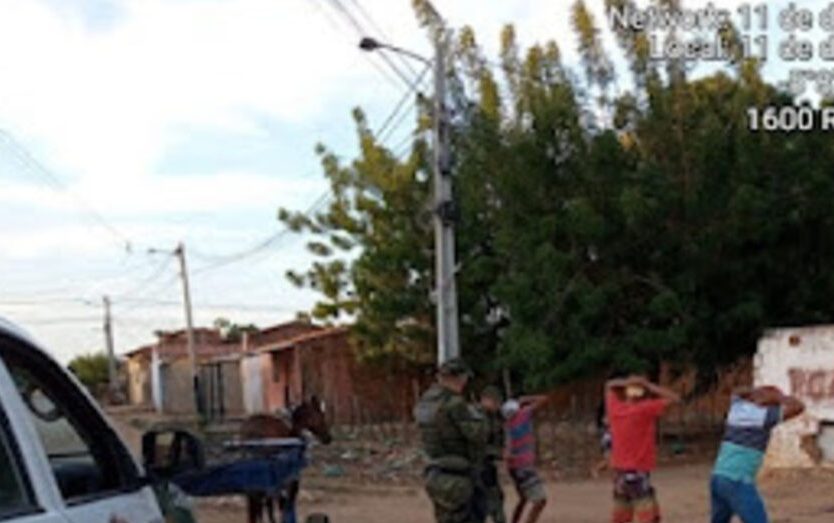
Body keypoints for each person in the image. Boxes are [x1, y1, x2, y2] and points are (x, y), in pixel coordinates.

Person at [710, 385, 805, 523]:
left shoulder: (737, 408)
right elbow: (799, 406)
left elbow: (737, 391)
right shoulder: (762, 417)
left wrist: (757, 393)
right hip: (738, 480)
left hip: (719, 476)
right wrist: (779, 397)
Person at [414, 358, 487, 523]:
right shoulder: (454, 404)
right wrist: (480, 415)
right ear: (459, 378)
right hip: (458, 474)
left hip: (436, 472)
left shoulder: (426, 402)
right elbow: (477, 435)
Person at [606, 374, 680, 523]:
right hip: (638, 470)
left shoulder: (615, 409)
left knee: (622, 514)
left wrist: (627, 382)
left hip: (620, 471)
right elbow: (675, 399)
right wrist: (649, 385)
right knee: (648, 515)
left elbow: (609, 385)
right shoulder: (646, 409)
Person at [502, 394, 549, 523]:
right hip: (524, 465)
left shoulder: (506, 425)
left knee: (523, 498)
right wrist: (526, 399)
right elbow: (543, 399)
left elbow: (506, 451)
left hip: (514, 467)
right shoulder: (523, 415)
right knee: (540, 500)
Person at [480, 385, 507, 523]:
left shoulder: (497, 417)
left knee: (496, 497)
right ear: (484, 400)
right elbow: (478, 445)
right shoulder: (478, 418)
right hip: (478, 465)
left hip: (488, 465)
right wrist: (499, 453)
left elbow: (500, 437)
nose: (497, 405)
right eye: (494, 401)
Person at [591, 399, 612, 479]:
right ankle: (596, 469)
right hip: (608, 438)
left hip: (611, 437)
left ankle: (596, 469)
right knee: (610, 460)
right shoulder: (605, 419)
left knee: (611, 460)